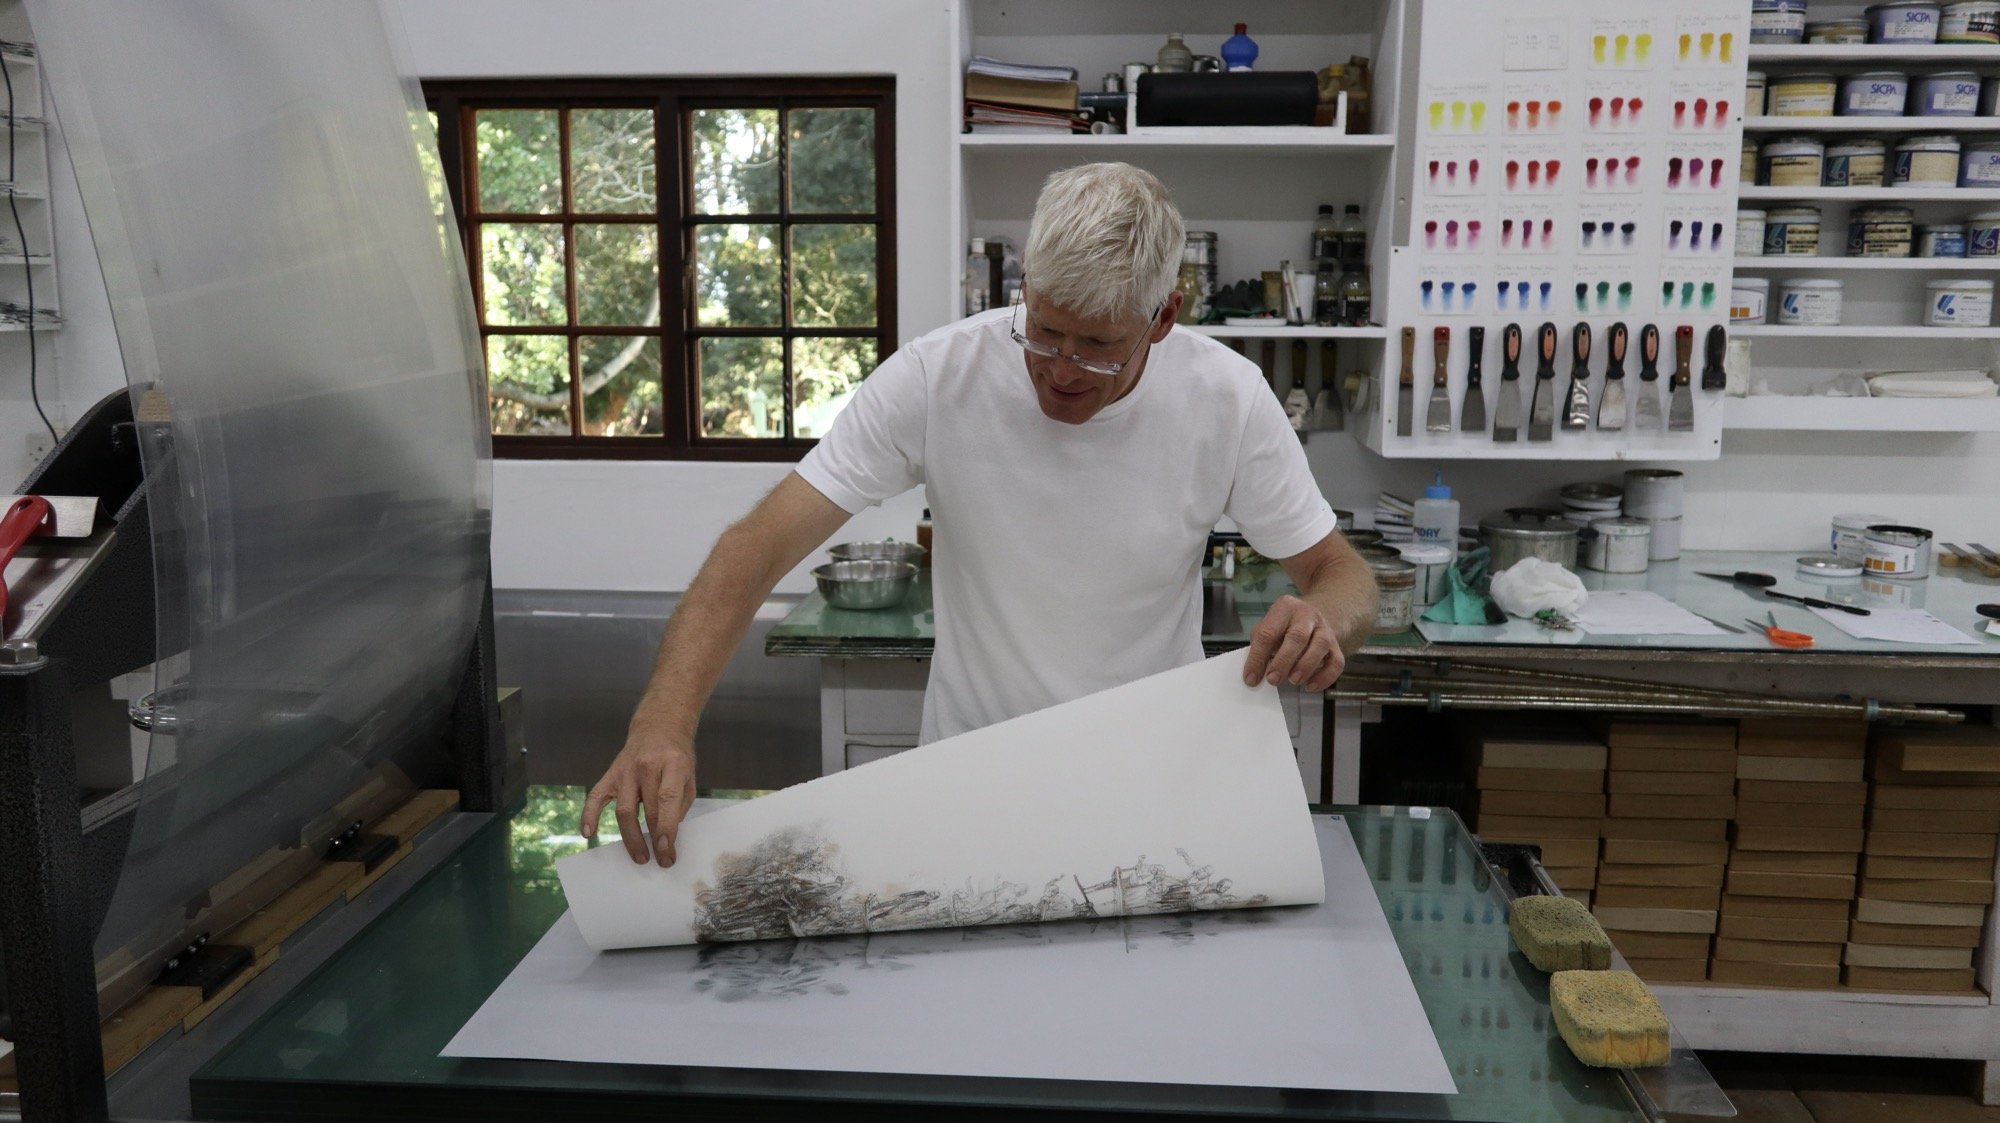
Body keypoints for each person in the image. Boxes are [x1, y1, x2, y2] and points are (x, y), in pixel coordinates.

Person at [582, 162, 1378, 866]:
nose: (1061, 371)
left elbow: (1339, 575)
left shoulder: (1226, 398)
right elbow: (756, 546)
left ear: (1164, 319)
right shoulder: (939, 377)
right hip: (967, 785)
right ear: (1024, 285)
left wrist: (1322, 621)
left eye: (1098, 345)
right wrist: (663, 720)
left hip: (1147, 782)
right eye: (1044, 332)